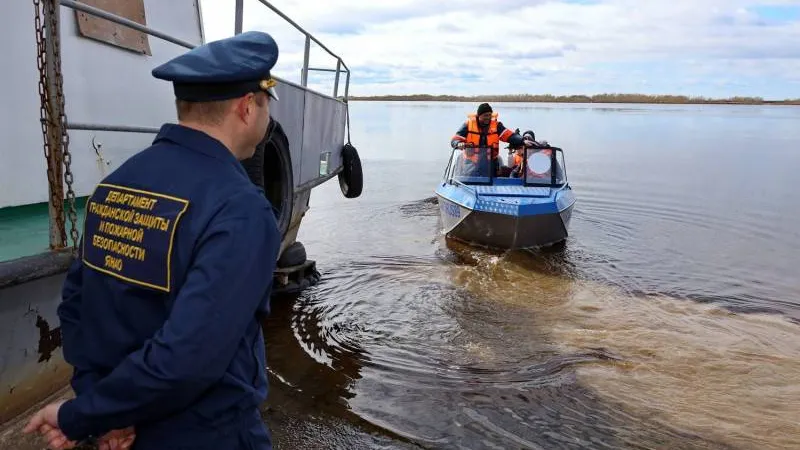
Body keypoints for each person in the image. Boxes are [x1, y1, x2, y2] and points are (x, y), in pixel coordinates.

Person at [23, 30, 283, 450]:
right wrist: (86, 415)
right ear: (247, 107)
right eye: (267, 103)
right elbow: (189, 356)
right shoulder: (242, 210)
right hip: (207, 434)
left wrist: (104, 410)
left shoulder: (115, 186)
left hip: (127, 430)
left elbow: (76, 308)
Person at [450, 103, 526, 175]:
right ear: (479, 115)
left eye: (490, 115)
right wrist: (458, 143)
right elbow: (454, 140)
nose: (488, 118)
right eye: (485, 115)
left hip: (490, 164)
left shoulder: (497, 126)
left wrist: (523, 140)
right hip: (471, 164)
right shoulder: (468, 125)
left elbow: (510, 136)